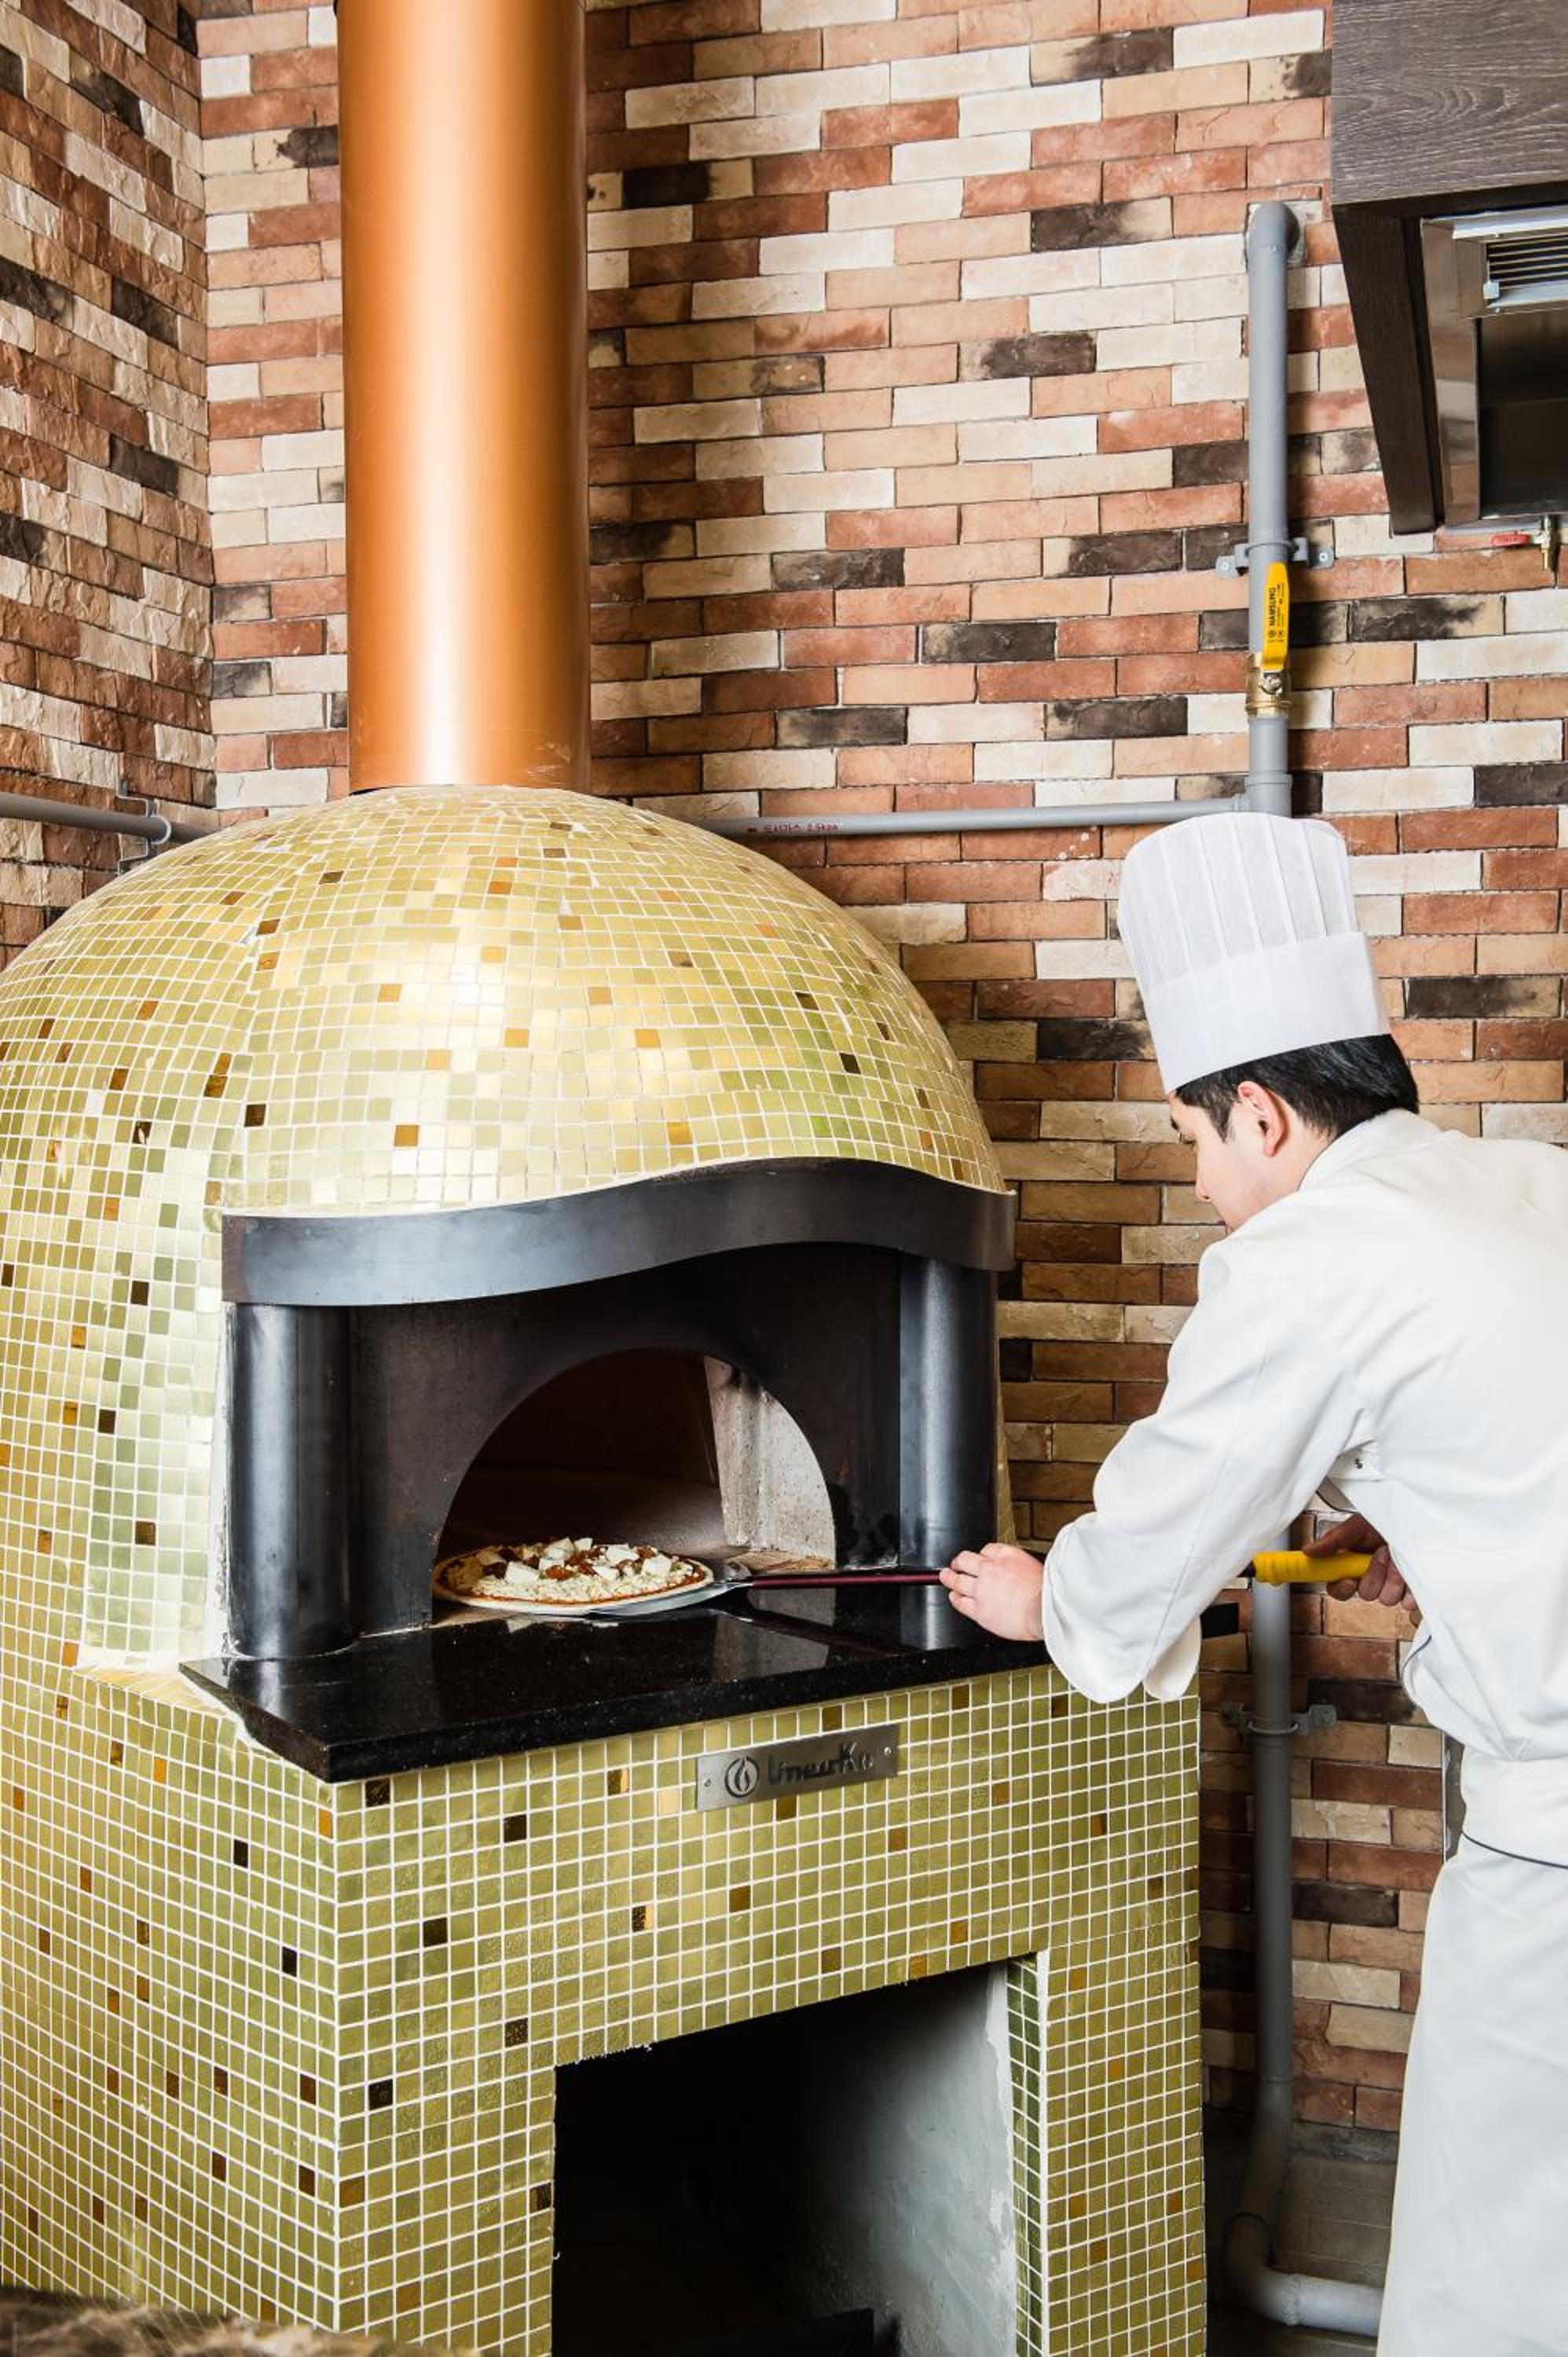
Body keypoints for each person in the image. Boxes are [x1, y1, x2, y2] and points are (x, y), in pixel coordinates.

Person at [940, 810, 1568, 2357]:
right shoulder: (1524, 1185)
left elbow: (1165, 1523)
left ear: (1263, 1118)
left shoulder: (1303, 1257)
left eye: (1193, 1142)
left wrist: (1052, 1600)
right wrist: (1414, 1529)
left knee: (1505, 2267)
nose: (1203, 1180)